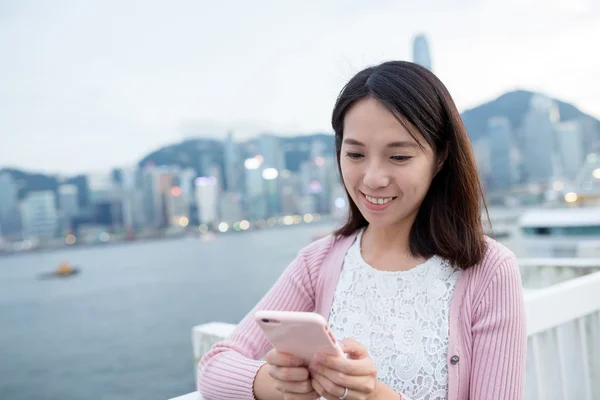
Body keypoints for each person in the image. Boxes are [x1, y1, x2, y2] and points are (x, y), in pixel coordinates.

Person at [197, 61, 526, 400]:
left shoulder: (489, 271)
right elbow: (214, 368)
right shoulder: (319, 261)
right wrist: (280, 382)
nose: (372, 178)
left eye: (398, 157)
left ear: (440, 157)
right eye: (355, 153)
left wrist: (376, 397)